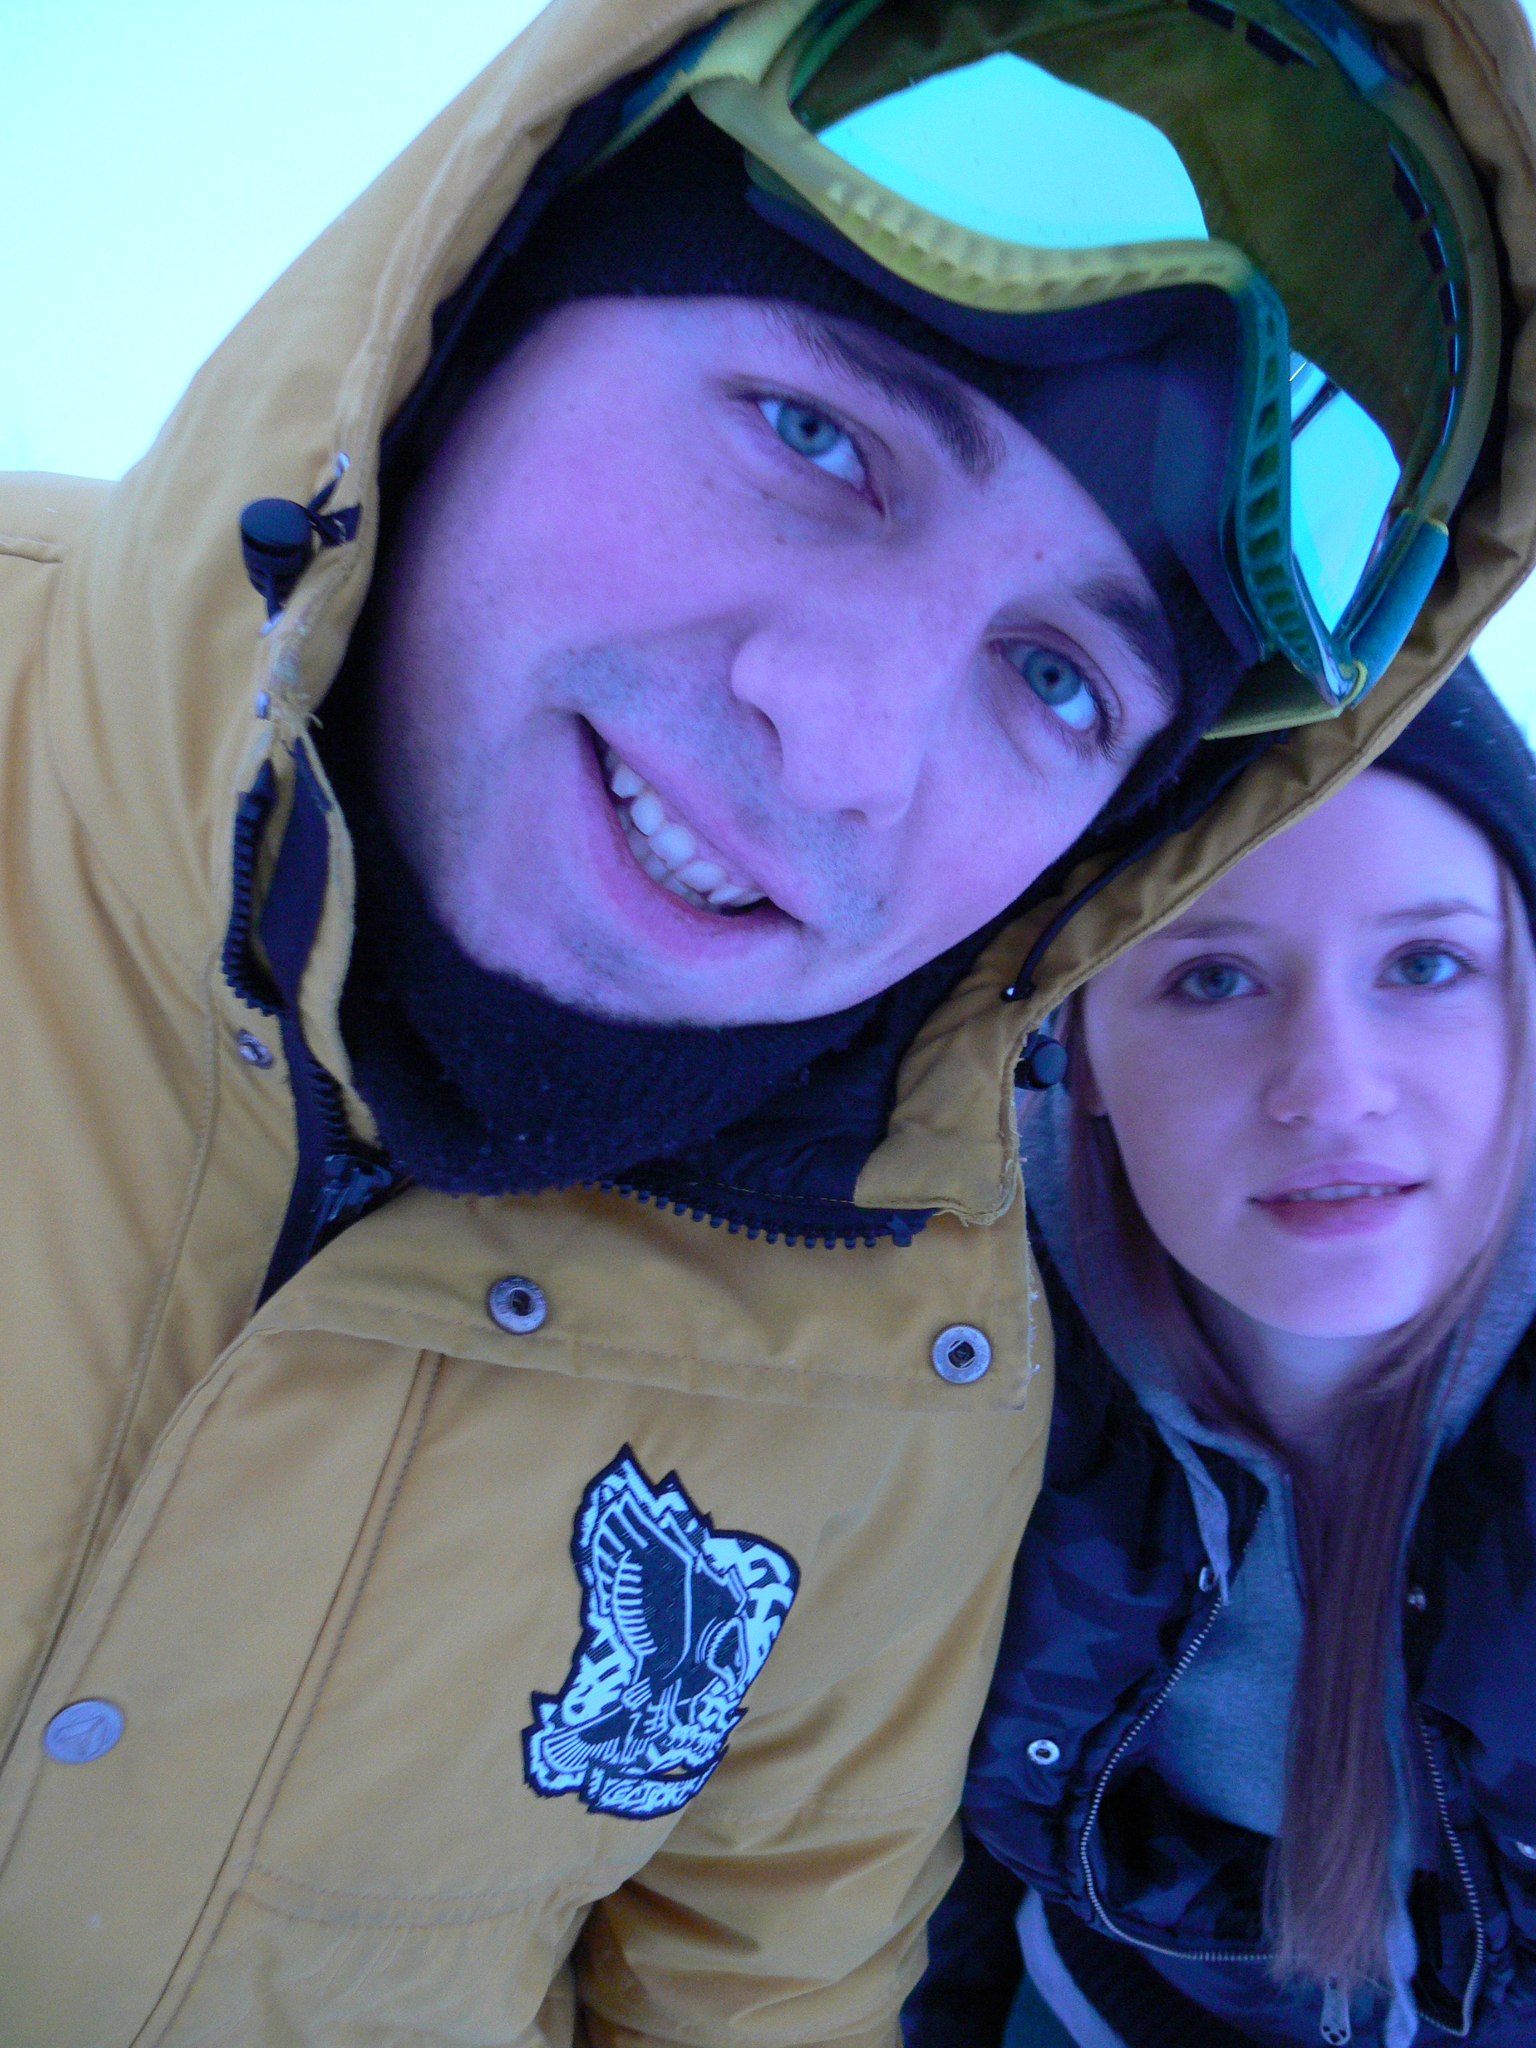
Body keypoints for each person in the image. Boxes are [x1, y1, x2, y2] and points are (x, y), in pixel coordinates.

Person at [0, 0, 1532, 2036]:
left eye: (1059, 678)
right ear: (495, 292)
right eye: (815, 437)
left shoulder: (896, 1394)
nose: (842, 743)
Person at [906, 661, 1536, 2048]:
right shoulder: (946, 1353)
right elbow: (897, 1846)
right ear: (1079, 1045)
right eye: (1212, 978)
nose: (1332, 1088)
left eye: (1427, 965)